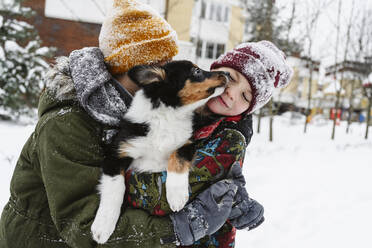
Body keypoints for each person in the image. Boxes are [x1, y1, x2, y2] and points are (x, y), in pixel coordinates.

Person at [0, 1, 268, 247]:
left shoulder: (137, 107)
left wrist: (234, 194)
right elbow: (84, 227)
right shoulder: (67, 124)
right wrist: (176, 229)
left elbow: (196, 147)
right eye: (161, 62)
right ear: (135, 66)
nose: (166, 71)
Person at [125, 41, 293, 247]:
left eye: (245, 96)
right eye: (230, 77)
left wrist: (123, 170)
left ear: (247, 110)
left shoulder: (229, 140)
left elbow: (156, 199)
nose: (232, 93)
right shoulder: (181, 106)